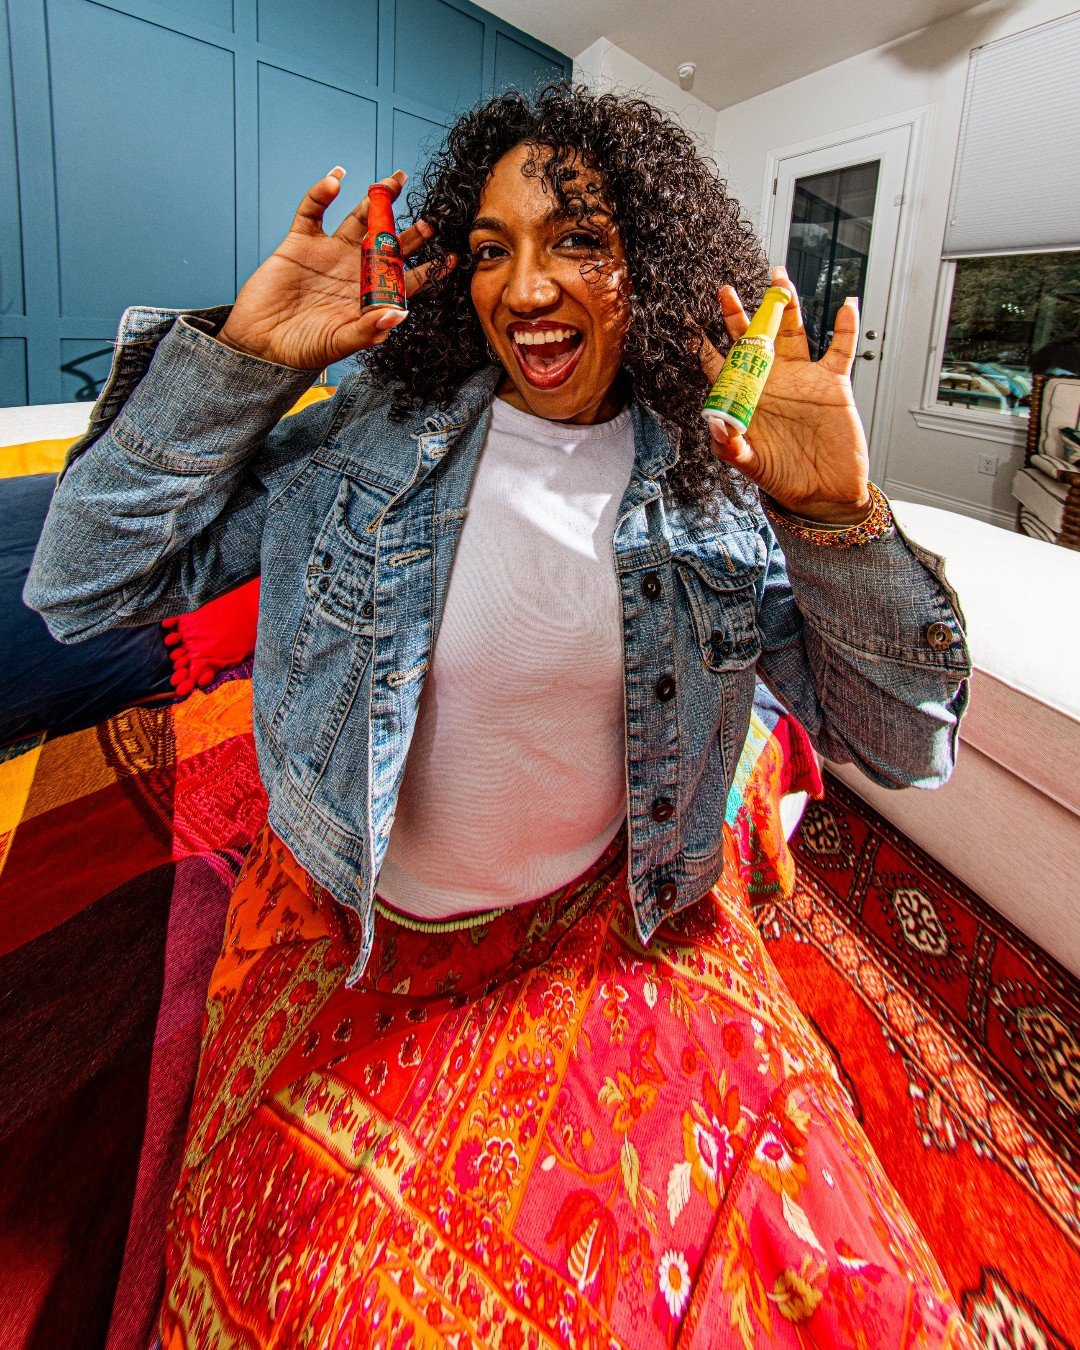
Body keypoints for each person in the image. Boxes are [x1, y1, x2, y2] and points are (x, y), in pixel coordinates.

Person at [26, 86, 975, 1347]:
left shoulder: (714, 487)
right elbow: (82, 584)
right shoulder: (372, 433)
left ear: (653, 258)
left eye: (577, 239)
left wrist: (833, 519)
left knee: (850, 1294)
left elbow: (906, 747)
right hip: (367, 934)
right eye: (490, 249)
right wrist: (246, 366)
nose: (526, 288)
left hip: (611, 928)